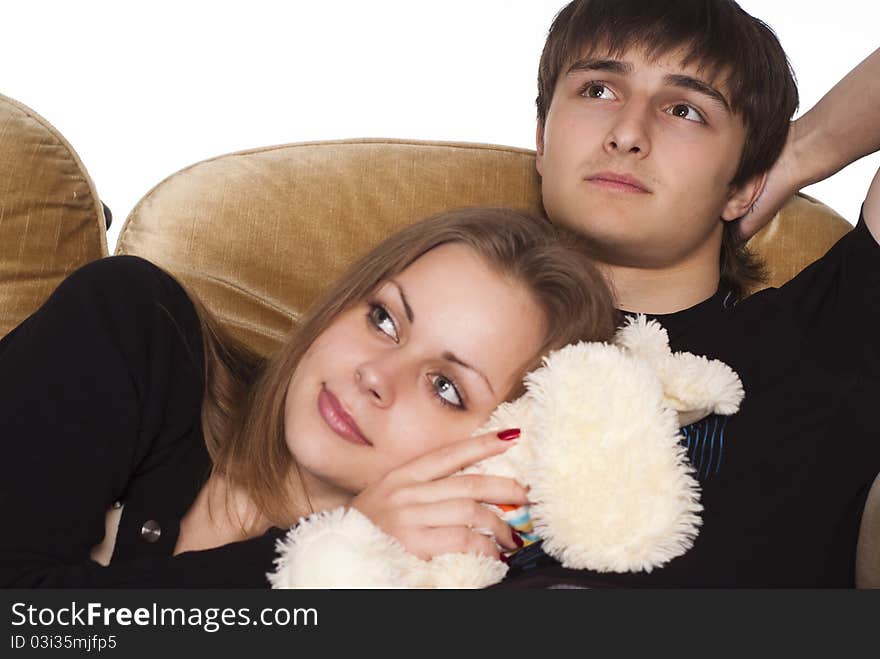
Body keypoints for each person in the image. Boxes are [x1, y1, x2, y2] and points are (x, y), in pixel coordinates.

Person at [0, 207, 617, 587]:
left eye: (446, 387)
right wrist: (342, 543)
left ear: (504, 444)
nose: (377, 374)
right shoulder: (133, 324)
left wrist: (353, 558)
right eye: (383, 319)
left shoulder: (427, 589)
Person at [496, 0, 880, 588]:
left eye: (684, 109)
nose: (627, 133)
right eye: (599, 89)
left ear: (744, 183)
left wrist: (797, 153)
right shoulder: (441, 323)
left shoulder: (820, 338)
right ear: (542, 142)